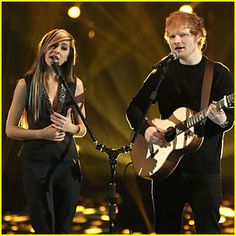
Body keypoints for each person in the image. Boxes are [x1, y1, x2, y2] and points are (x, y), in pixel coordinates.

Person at [126, 11, 234, 233]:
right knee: (166, 229)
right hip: (165, 168)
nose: (176, 41)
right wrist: (146, 131)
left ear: (198, 37)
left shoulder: (219, 73)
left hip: (204, 172)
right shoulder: (162, 72)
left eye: (182, 35)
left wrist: (221, 118)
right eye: (171, 36)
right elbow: (134, 109)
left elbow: (228, 121)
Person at [6, 29, 87, 233]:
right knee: (43, 225)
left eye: (63, 47)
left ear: (69, 55)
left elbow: (83, 129)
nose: (57, 51)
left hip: (67, 163)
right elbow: (9, 129)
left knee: (63, 226)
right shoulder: (26, 84)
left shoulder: (75, 85)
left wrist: (71, 128)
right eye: (53, 45)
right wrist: (42, 134)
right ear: (43, 49)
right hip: (36, 163)